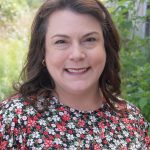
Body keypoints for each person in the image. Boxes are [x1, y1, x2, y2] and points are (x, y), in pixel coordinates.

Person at [0, 0, 149, 149]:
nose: (77, 54)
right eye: (61, 42)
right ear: (43, 53)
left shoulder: (131, 118)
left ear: (106, 48)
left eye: (89, 39)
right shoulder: (14, 119)